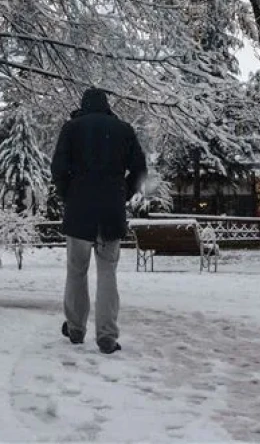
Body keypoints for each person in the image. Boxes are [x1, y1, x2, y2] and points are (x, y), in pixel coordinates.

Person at [51, 87, 147, 354]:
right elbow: (140, 169)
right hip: (110, 211)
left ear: (83, 105)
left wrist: (69, 193)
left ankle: (75, 328)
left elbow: (57, 169)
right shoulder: (123, 130)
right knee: (107, 273)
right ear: (107, 106)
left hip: (79, 210)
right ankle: (106, 334)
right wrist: (122, 193)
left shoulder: (71, 129)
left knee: (76, 271)